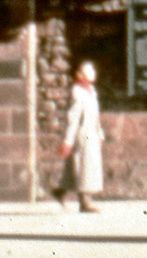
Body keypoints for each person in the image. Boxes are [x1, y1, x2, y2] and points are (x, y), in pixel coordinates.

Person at [58, 58, 104, 212]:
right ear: (81, 75)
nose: (92, 75)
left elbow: (95, 115)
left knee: (76, 166)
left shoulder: (92, 92)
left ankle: (60, 191)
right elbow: (73, 118)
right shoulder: (77, 92)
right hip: (82, 134)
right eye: (88, 73)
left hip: (91, 132)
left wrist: (100, 132)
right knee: (85, 166)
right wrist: (68, 141)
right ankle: (85, 202)